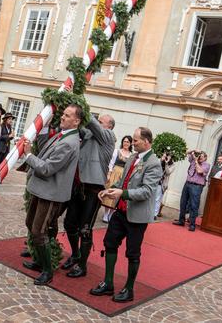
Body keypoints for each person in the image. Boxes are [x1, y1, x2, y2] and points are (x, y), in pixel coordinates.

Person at [90, 127, 162, 303]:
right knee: (109, 243)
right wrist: (109, 190)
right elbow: (123, 182)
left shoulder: (154, 163)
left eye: (136, 140)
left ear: (146, 142)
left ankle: (129, 289)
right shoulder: (132, 158)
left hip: (137, 217)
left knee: (132, 253)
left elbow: (146, 191)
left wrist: (122, 193)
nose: (132, 142)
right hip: (121, 211)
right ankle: (108, 283)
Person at [20, 104, 82, 286]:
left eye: (67, 115)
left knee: (39, 231)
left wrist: (28, 155)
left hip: (50, 193)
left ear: (76, 121)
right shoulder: (63, 136)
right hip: (42, 189)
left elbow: (47, 168)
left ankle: (47, 270)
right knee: (31, 224)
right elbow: (46, 154)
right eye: (63, 114)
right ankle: (40, 262)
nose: (62, 117)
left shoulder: (69, 142)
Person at [61, 113, 116, 278]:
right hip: (78, 186)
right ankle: (76, 254)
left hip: (93, 189)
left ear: (108, 126)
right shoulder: (89, 134)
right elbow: (81, 128)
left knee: (85, 229)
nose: (97, 124)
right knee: (70, 224)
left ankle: (83, 266)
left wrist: (81, 108)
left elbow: (92, 124)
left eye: (101, 122)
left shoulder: (108, 136)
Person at [173, 150, 211, 231]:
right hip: (187, 183)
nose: (200, 157)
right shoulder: (193, 161)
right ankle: (181, 220)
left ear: (205, 158)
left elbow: (199, 171)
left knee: (194, 205)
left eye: (202, 156)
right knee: (183, 203)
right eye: (199, 155)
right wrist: (194, 151)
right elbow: (186, 153)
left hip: (197, 186)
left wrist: (196, 161)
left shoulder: (206, 165)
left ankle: (192, 224)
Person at [103, 135, 133, 222]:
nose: (126, 143)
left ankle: (111, 213)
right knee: (110, 192)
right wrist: (109, 173)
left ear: (130, 144)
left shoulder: (131, 155)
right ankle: (105, 214)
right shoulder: (117, 151)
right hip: (115, 172)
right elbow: (111, 163)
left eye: (127, 142)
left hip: (123, 175)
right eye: (124, 141)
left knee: (117, 195)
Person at [154, 152, 174, 219]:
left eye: (169, 155)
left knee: (158, 199)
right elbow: (154, 167)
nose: (167, 156)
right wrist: (161, 160)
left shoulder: (172, 165)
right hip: (154, 181)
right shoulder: (159, 160)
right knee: (151, 198)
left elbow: (168, 172)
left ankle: (154, 214)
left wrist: (166, 163)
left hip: (162, 184)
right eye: (166, 155)